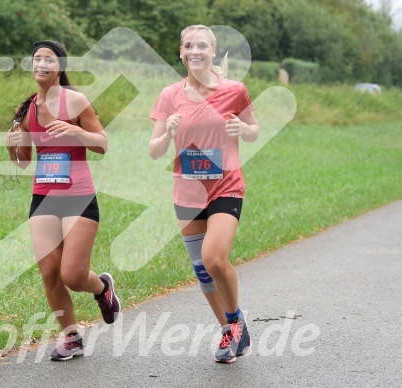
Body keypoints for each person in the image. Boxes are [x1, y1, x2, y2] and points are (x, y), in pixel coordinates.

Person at [149, 25, 259, 363]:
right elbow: (154, 151)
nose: (194, 51)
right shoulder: (170, 95)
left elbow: (254, 132)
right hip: (187, 189)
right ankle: (231, 329)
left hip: (226, 185)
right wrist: (167, 134)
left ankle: (235, 319)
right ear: (180, 53)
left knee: (214, 258)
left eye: (202, 46)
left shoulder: (234, 90)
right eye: (188, 46)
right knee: (201, 269)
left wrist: (243, 128)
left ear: (212, 52)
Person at [5, 40, 120, 361]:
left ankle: (101, 289)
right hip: (43, 198)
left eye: (48, 59)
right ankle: (71, 337)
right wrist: (11, 144)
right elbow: (23, 161)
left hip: (79, 197)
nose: (41, 64)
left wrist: (75, 133)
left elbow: (102, 143)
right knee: (50, 274)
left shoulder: (76, 101)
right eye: (36, 59)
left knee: (72, 274)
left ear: (60, 67)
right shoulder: (27, 110)